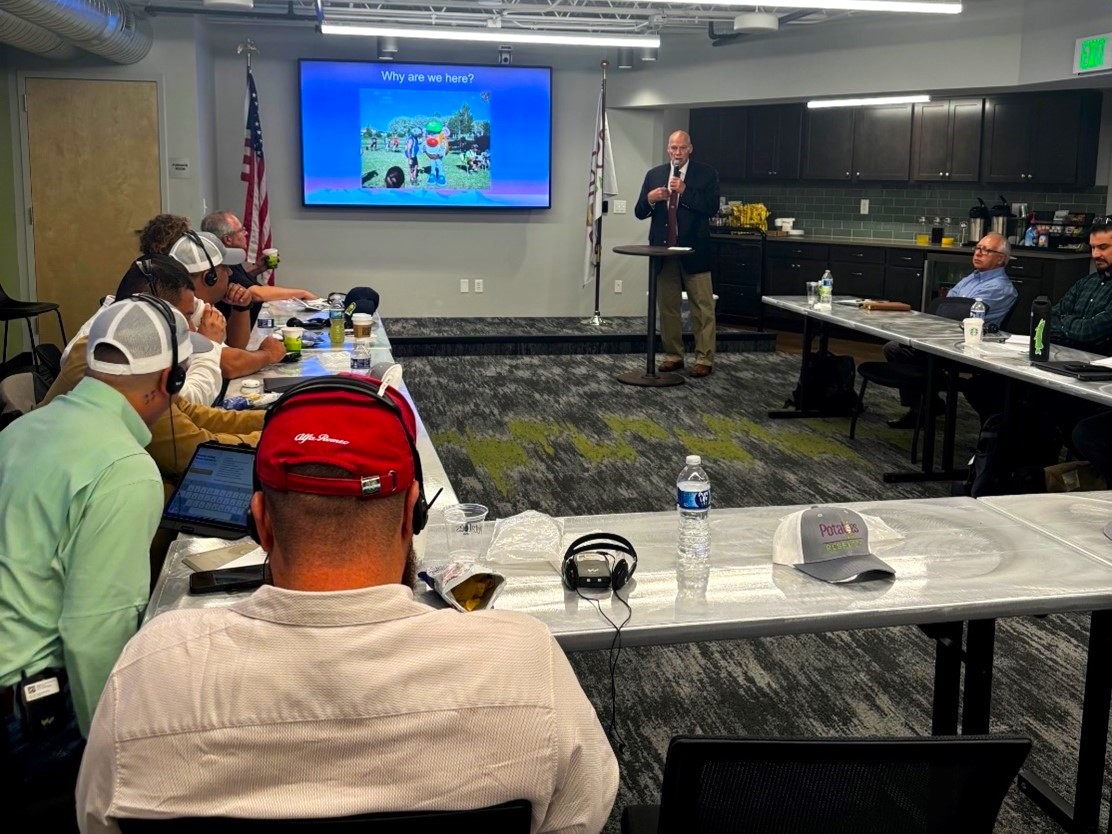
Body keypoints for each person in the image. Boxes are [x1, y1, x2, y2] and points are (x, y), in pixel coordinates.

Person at [76, 376, 619, 834]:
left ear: (260, 523)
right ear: (412, 518)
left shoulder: (148, 674)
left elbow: (96, 819)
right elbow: (582, 816)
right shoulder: (525, 664)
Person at [1, 298, 203, 828]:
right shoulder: (125, 469)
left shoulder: (20, 430)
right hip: (35, 719)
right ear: (168, 381)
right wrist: (116, 764)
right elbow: (96, 635)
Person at [38, 258, 266, 495]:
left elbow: (189, 412)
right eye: (184, 316)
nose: (192, 328)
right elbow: (190, 454)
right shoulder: (118, 368)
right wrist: (271, 438)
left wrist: (270, 419)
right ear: (151, 314)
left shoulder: (118, 344)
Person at [882, 233, 1018, 429]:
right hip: (944, 336)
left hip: (967, 346)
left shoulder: (1000, 288)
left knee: (902, 350)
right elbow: (946, 305)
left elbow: (961, 313)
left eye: (986, 250)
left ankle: (933, 394)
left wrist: (950, 308)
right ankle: (923, 406)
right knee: (896, 348)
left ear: (1001, 259)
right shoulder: (972, 278)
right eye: (978, 248)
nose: (979, 253)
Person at [634, 130, 720, 378]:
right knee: (668, 306)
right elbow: (640, 212)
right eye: (673, 148)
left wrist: (684, 191)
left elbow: (710, 208)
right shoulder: (655, 174)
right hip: (663, 251)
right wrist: (650, 199)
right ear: (668, 149)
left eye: (682, 148)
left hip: (695, 249)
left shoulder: (706, 174)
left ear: (690, 149)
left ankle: (704, 358)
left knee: (702, 307)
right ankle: (674, 355)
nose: (677, 153)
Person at [169, 231, 288, 376]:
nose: (231, 273)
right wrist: (268, 354)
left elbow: (236, 347)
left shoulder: (198, 305)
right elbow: (229, 366)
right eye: (225, 268)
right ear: (210, 277)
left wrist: (241, 307)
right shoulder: (177, 312)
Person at [200, 211, 317, 326]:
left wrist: (258, 268)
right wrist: (302, 293)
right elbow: (255, 293)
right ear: (228, 239)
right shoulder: (222, 264)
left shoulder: (230, 258)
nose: (246, 233)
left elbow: (239, 279)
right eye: (241, 230)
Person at [1050, 218, 1112, 353]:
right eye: (1093, 247)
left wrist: (1064, 321)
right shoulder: (1085, 283)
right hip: (1066, 359)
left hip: (1101, 369)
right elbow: (1049, 319)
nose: (1095, 254)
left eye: (1103, 247)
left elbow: (1088, 331)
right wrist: (1077, 333)